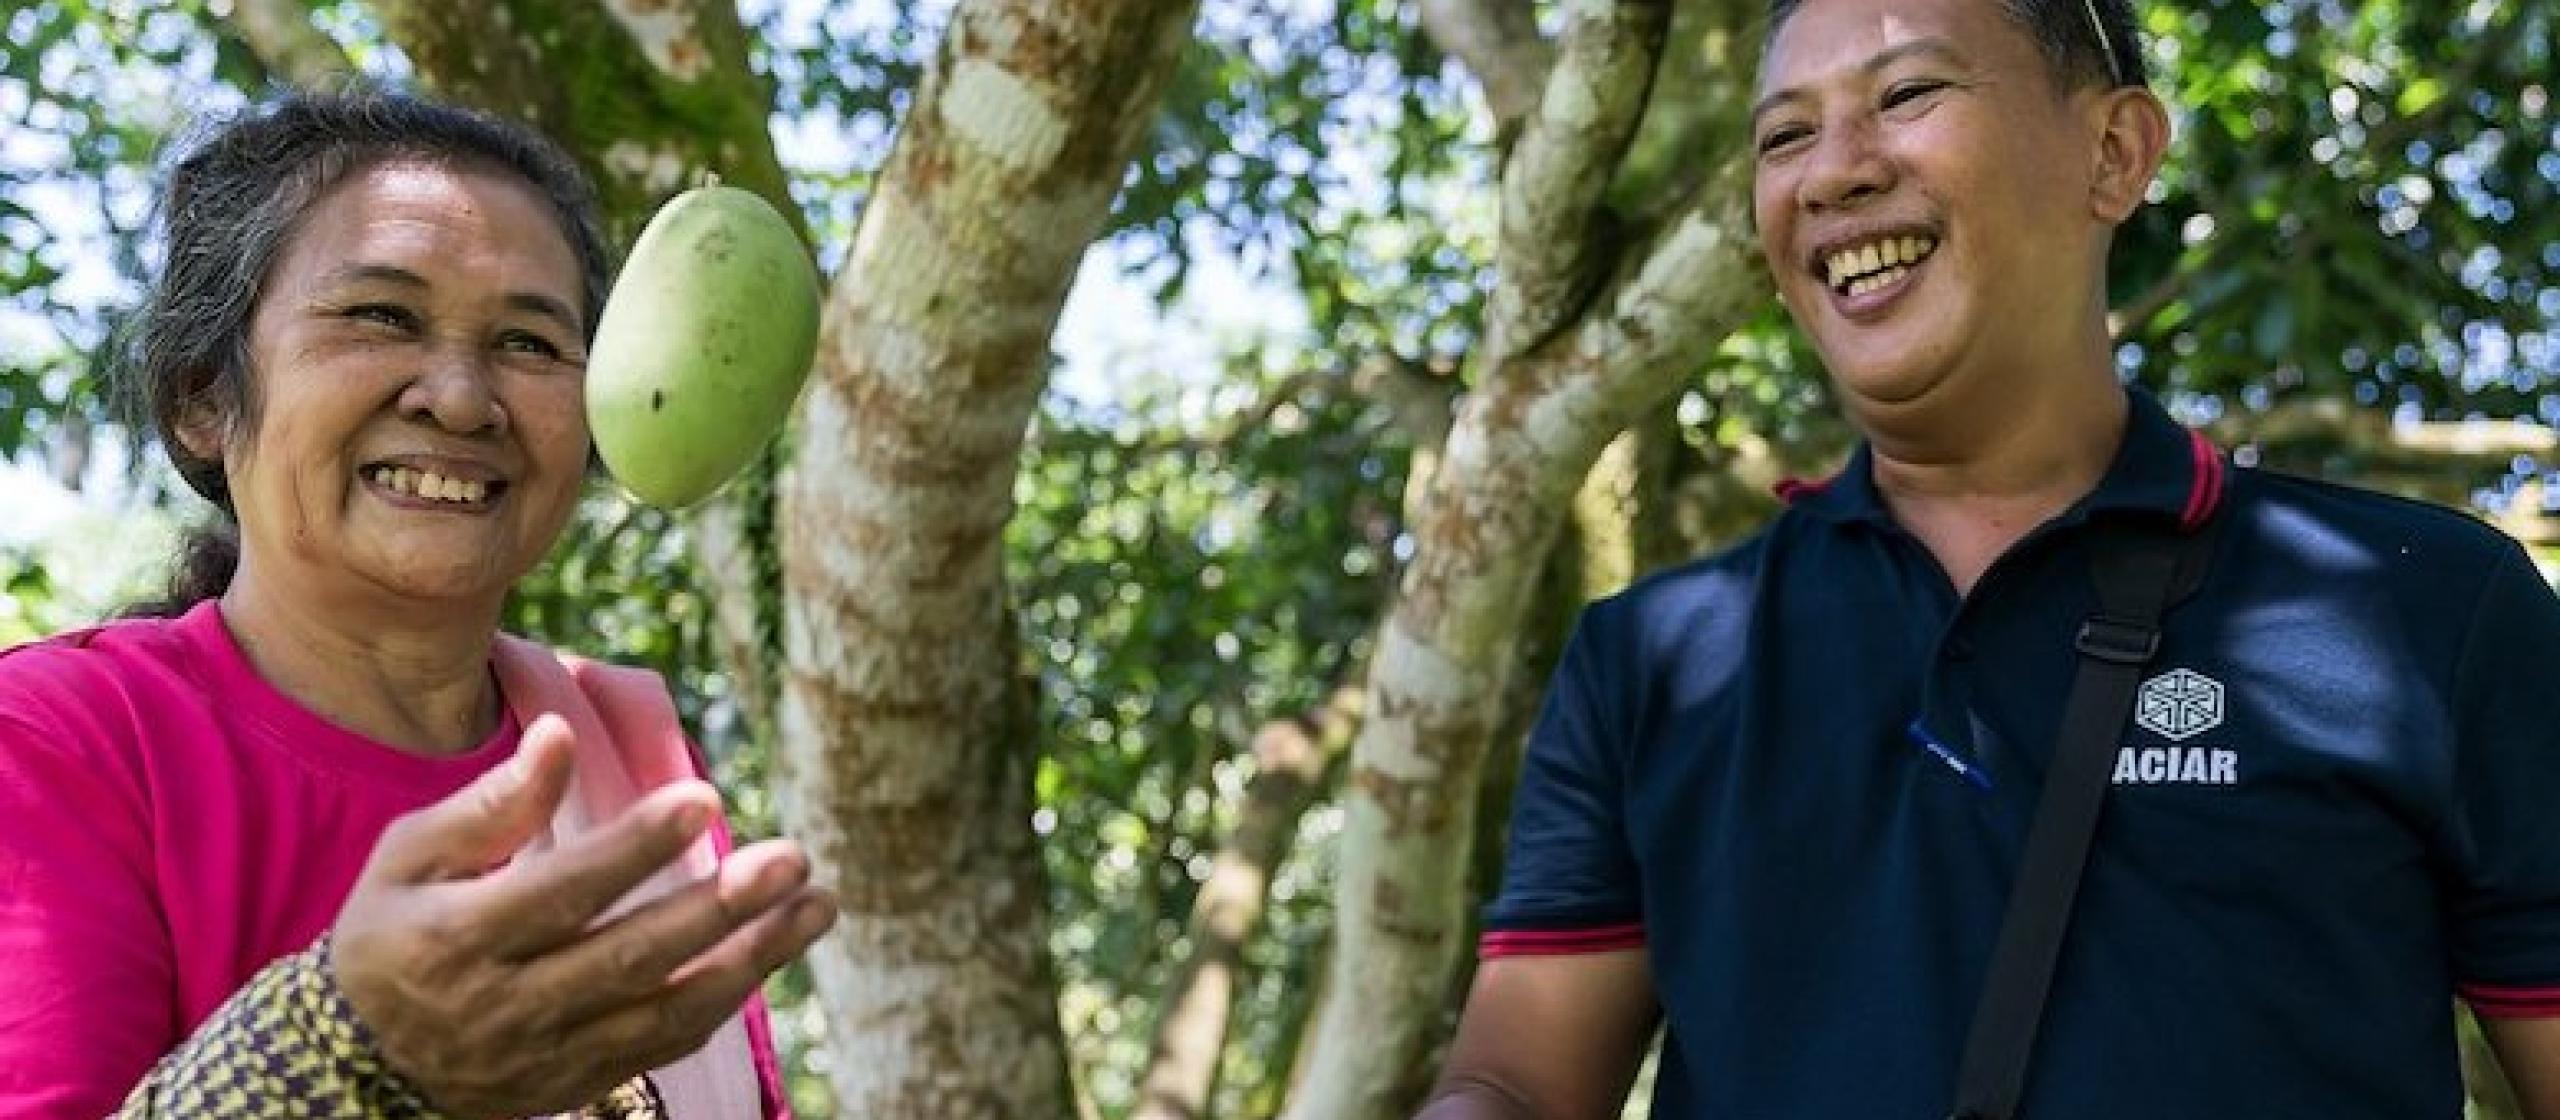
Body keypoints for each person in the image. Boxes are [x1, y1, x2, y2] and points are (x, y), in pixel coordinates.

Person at [1423, 0, 2560, 1116]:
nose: (1832, 173)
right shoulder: (1651, 662)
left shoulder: (2428, 608)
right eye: (1784, 135)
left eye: (1907, 93)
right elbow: (1517, 1079)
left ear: (2113, 152)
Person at [0, 89, 835, 1118]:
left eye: (529, 343)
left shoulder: (633, 759)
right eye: (381, 316)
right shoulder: (56, 739)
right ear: (204, 397)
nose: (461, 396)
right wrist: (334, 1054)